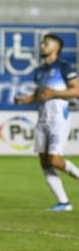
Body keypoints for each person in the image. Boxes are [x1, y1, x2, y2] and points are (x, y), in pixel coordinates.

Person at [15, 33, 79, 211]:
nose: (42, 45)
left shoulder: (64, 67)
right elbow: (40, 95)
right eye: (42, 43)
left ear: (56, 47)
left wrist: (55, 93)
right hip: (42, 120)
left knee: (54, 160)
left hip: (58, 119)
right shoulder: (39, 71)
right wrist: (25, 100)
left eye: (46, 43)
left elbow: (76, 91)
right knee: (44, 162)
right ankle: (64, 202)